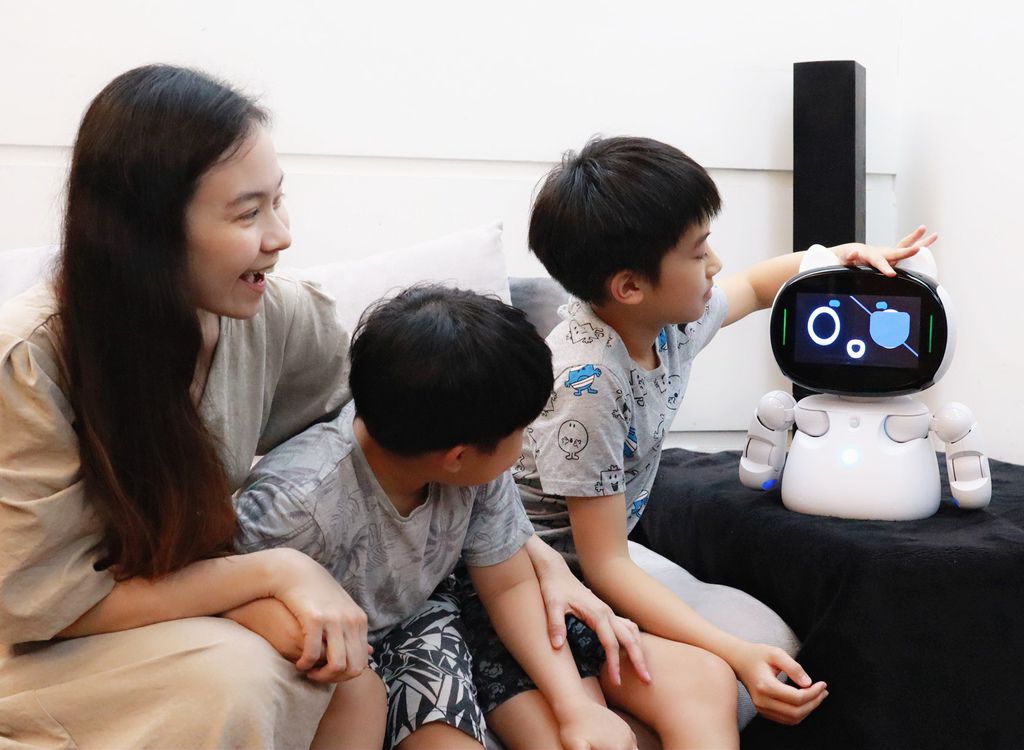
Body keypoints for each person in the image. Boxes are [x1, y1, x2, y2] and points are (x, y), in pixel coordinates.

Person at [461, 135, 935, 747]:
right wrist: (736, 650)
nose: (715, 264)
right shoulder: (588, 383)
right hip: (530, 583)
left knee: (702, 688)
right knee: (696, 683)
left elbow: (758, 286)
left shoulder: (666, 323)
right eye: (698, 251)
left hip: (592, 564)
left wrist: (839, 260)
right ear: (630, 286)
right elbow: (607, 564)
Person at [0, 63, 392, 748]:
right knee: (238, 675)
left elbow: (403, 424)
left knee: (339, 673)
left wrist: (522, 553)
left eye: (278, 201)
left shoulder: (272, 315)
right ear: (148, 232)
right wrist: (275, 572)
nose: (280, 235)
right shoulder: (31, 360)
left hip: (169, 611)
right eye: (248, 213)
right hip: (35, 647)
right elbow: (43, 604)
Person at [232, 285, 640, 750]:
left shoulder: (473, 468)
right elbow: (226, 592)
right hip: (324, 649)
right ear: (457, 457)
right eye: (521, 432)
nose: (523, 444)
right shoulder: (297, 503)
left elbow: (508, 585)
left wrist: (575, 707)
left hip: (417, 619)